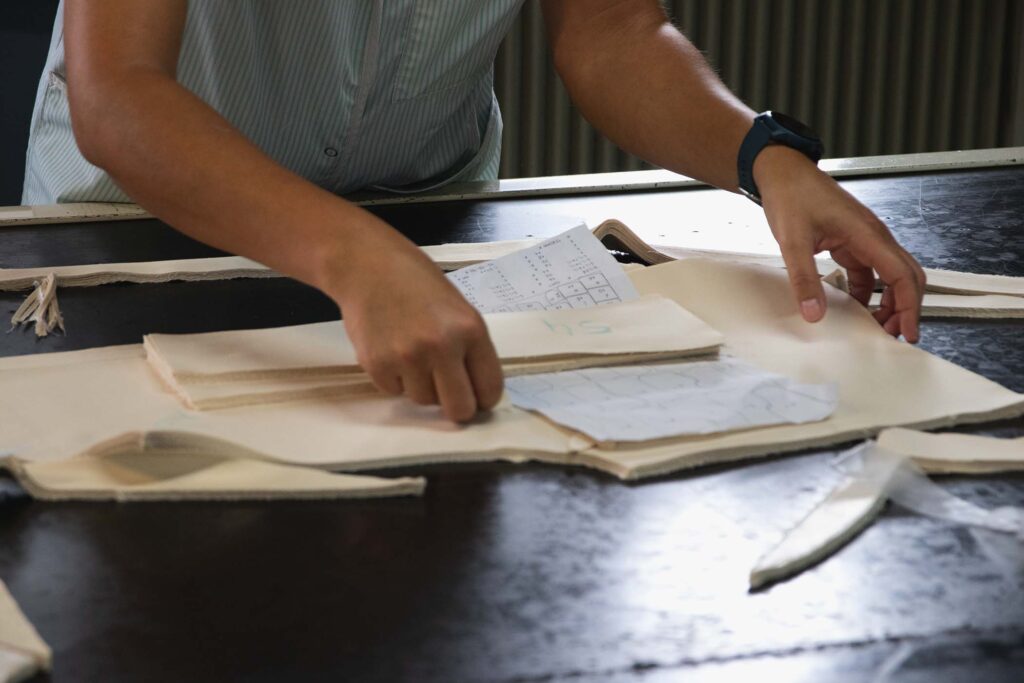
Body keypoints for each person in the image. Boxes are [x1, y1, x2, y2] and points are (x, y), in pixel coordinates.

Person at [24, 0, 925, 422]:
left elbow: (611, 34)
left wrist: (763, 155)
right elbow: (119, 93)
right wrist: (352, 253)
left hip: (431, 235)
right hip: (138, 242)